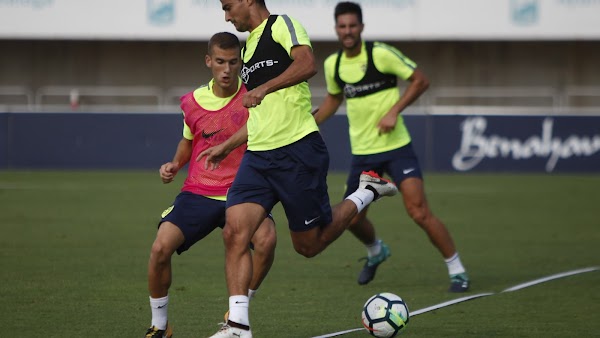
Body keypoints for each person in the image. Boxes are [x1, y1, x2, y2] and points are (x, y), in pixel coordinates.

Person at [200, 1, 399, 337]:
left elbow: (307, 64)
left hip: (297, 151)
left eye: (228, 6)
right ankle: (237, 326)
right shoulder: (247, 50)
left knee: (308, 246)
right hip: (258, 158)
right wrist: (227, 145)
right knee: (234, 232)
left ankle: (367, 192)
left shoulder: (282, 24)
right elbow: (261, 114)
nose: (226, 15)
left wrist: (262, 88)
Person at [313, 1, 470, 292]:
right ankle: (376, 250)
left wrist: (394, 110)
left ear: (361, 27)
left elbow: (420, 80)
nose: (347, 31)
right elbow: (334, 99)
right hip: (363, 154)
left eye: (352, 25)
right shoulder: (332, 64)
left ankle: (457, 270)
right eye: (342, 26)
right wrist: (310, 122)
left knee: (419, 211)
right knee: (352, 219)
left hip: (397, 147)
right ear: (336, 29)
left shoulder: (380, 54)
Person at [144, 32, 278, 338]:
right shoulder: (192, 102)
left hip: (243, 190)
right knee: (160, 248)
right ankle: (159, 326)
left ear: (241, 61)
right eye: (220, 62)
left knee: (267, 240)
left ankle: (238, 313)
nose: (227, 69)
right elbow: (188, 140)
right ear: (209, 61)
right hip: (200, 191)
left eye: (233, 62)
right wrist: (175, 165)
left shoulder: (255, 95)